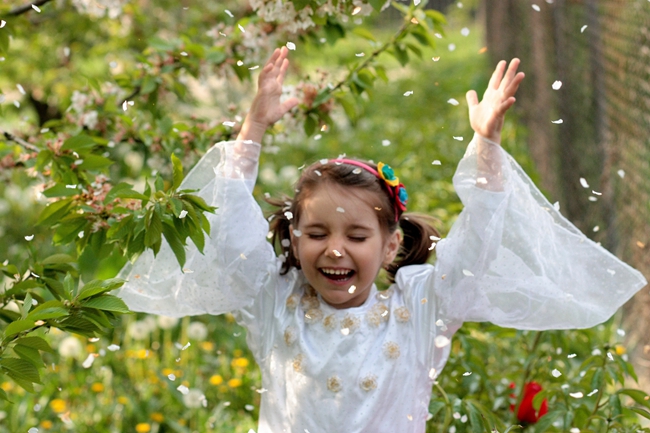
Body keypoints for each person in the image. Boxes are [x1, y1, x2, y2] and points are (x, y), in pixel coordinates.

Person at [117, 47, 647, 432]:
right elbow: (230, 224)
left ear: (391, 245)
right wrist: (252, 129)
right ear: (295, 239)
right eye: (317, 233)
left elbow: (479, 241)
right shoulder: (275, 300)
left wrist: (486, 145)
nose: (335, 249)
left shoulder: (420, 309)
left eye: (357, 235)